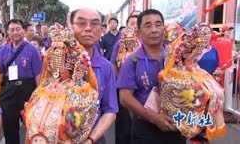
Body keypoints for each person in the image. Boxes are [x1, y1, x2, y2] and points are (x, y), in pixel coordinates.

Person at [116, 9, 186, 144]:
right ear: (139, 32)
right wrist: (154, 118)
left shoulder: (177, 58)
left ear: (164, 29)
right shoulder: (132, 61)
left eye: (158, 24)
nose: (154, 30)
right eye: (148, 26)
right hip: (146, 129)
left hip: (176, 126)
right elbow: (124, 98)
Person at [23, 24, 99, 143]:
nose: (56, 65)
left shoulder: (83, 90)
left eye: (63, 58)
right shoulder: (44, 88)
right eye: (54, 59)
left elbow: (84, 119)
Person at [159, 23, 226, 142]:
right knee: (201, 95)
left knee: (217, 92)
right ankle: (196, 128)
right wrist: (184, 70)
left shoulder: (208, 48)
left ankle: (206, 127)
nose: (206, 35)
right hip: (182, 72)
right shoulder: (180, 45)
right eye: (203, 32)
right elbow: (176, 62)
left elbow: (196, 61)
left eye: (207, 32)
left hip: (197, 72)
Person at [70, 8, 118, 143]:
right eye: (81, 23)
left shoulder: (106, 67)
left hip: (93, 138)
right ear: (71, 27)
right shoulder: (56, 62)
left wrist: (91, 139)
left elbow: (110, 110)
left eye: (95, 24)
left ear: (101, 29)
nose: (88, 29)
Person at [0, 19, 42, 144]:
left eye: (18, 29)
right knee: (9, 128)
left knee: (32, 126)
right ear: (7, 32)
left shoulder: (32, 50)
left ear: (23, 31)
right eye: (12, 30)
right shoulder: (2, 50)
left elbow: (38, 74)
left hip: (27, 91)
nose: (15, 32)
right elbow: (0, 74)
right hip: (8, 90)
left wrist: (39, 96)